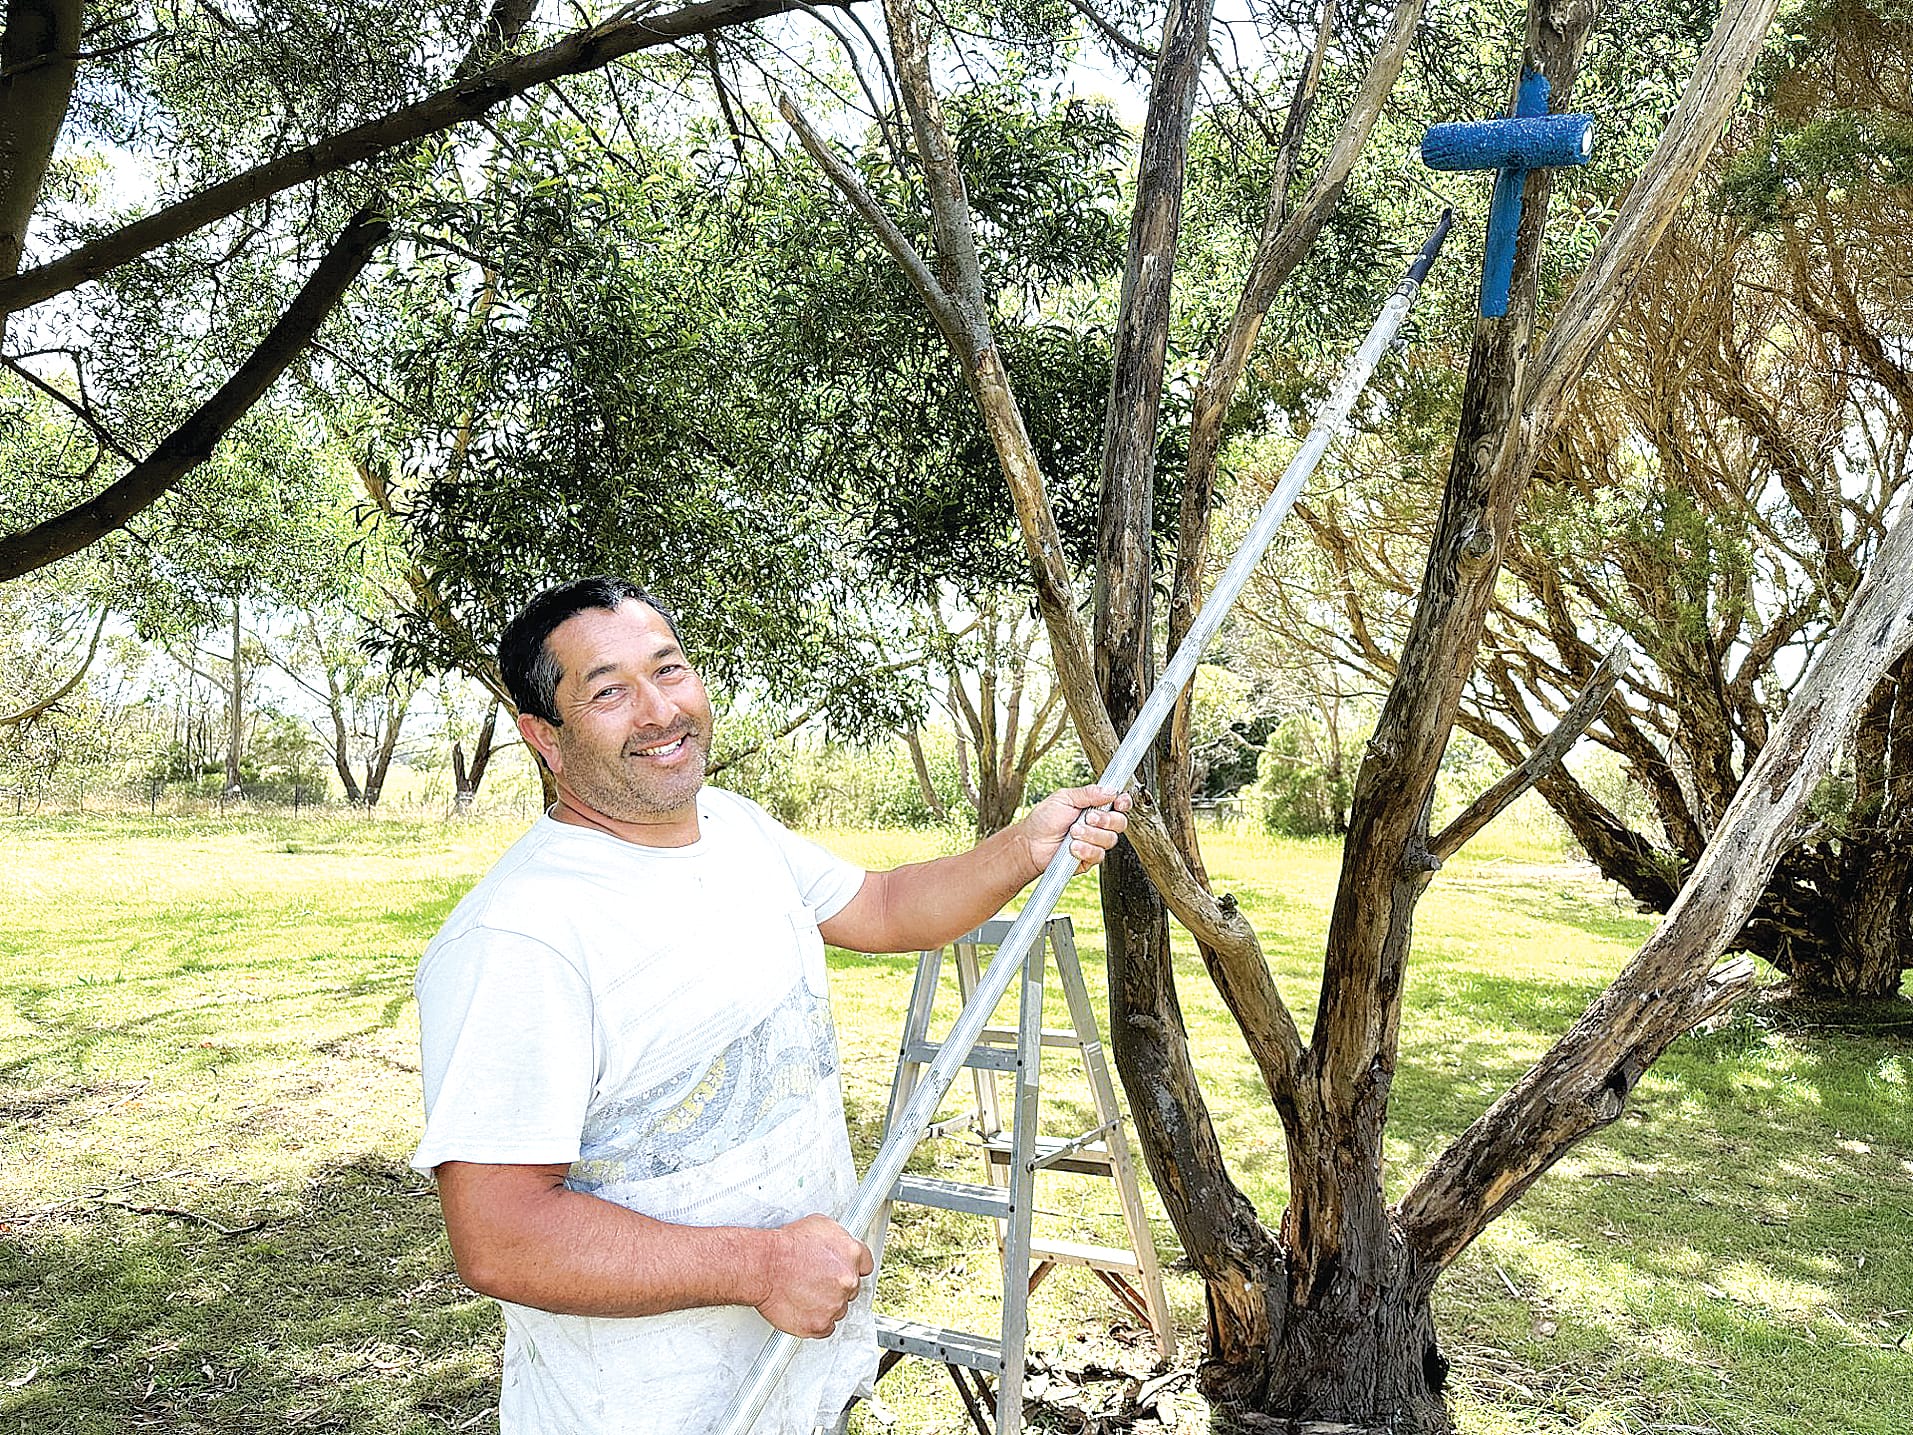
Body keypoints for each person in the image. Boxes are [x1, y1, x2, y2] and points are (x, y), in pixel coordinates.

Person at [410, 577, 1130, 1435]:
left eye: (668, 669)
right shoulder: (519, 935)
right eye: (608, 691)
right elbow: (500, 1234)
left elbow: (882, 906)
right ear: (544, 739)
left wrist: (1022, 846)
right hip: (645, 1410)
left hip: (789, 1385)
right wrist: (760, 1265)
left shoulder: (734, 825)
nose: (658, 710)